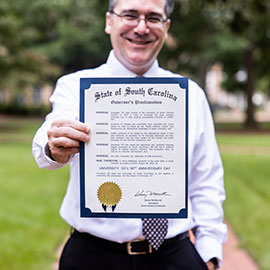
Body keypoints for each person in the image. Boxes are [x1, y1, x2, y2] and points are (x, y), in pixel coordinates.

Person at [32, 0, 227, 269]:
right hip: (93, 257)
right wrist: (53, 146)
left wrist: (209, 254)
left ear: (166, 27)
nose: (141, 27)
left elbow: (206, 178)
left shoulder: (190, 95)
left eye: (154, 18)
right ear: (109, 21)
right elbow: (47, 142)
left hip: (174, 255)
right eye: (131, 15)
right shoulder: (75, 87)